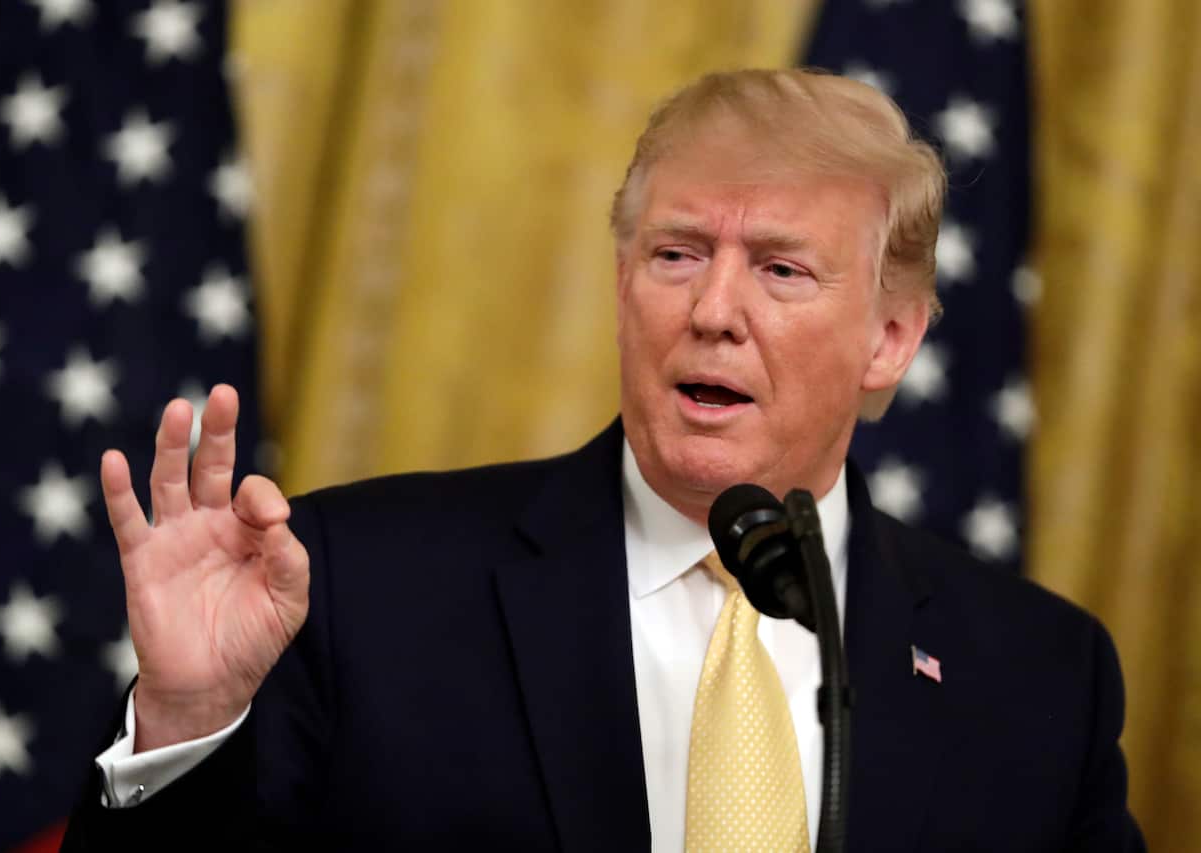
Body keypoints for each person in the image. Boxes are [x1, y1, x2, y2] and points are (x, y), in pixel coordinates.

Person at [61, 69, 1144, 851]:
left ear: (888, 339)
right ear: (623, 281)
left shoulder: (1040, 680)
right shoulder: (353, 586)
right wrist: (188, 726)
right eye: (675, 254)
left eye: (779, 270)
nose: (711, 310)